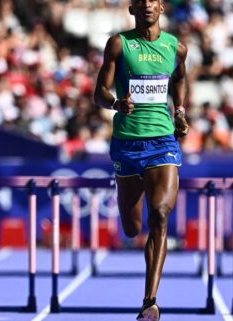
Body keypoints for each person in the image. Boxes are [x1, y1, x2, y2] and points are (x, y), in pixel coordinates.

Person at [93, 1, 189, 320]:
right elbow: (99, 92)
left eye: (153, 0)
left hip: (163, 141)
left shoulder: (177, 47)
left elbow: (179, 80)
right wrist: (116, 103)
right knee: (133, 228)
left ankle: (150, 302)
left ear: (161, 7)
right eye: (141, 0)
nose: (147, 4)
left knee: (160, 214)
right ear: (133, 8)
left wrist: (180, 112)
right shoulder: (119, 44)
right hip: (127, 144)